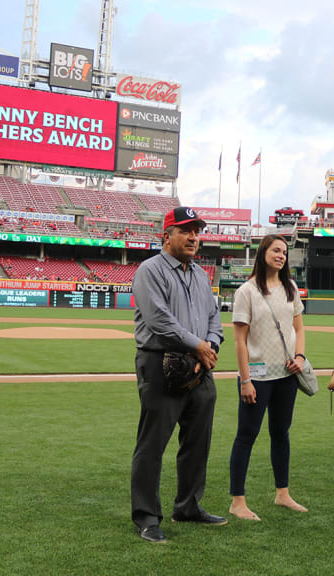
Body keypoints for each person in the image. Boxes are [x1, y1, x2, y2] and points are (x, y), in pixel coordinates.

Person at [130, 207, 226, 544]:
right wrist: (199, 345)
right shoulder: (149, 270)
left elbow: (215, 317)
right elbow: (159, 320)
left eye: (197, 230)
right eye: (185, 230)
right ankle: (146, 516)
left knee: (197, 443)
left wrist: (209, 345)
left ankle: (187, 506)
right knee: (152, 444)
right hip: (161, 363)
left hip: (200, 365)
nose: (193, 237)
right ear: (166, 236)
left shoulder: (201, 274)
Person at [229, 234, 308, 521]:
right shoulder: (246, 291)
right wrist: (245, 379)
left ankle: (282, 494)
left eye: (284, 252)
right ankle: (237, 501)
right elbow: (240, 341)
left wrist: (300, 357)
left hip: (286, 376)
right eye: (276, 250)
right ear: (263, 253)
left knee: (281, 434)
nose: (281, 255)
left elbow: (299, 329)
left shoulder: (290, 288)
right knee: (246, 436)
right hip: (257, 378)